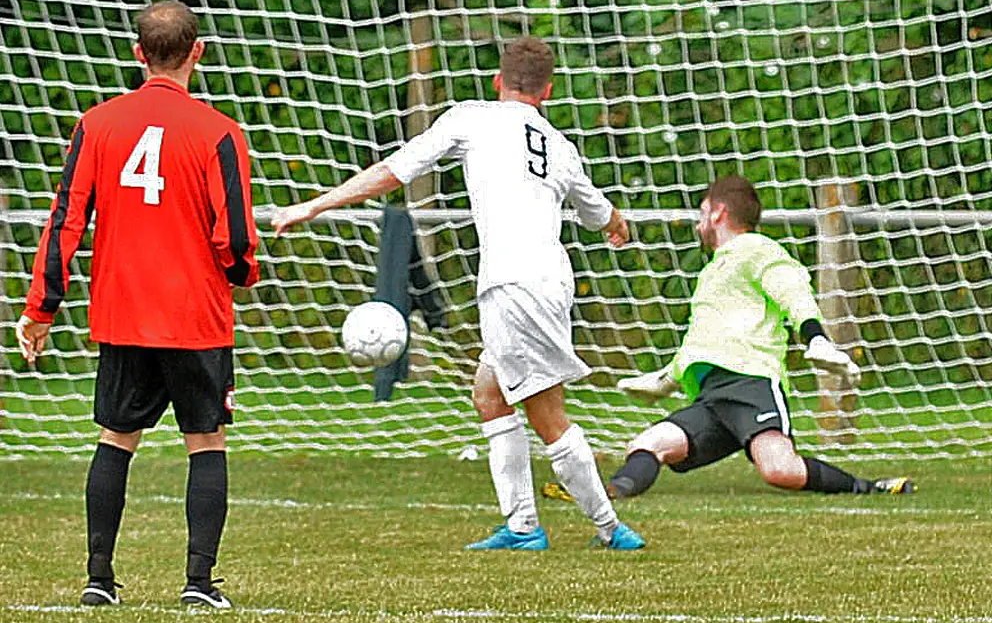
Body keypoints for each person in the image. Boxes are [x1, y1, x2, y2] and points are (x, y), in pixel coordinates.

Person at [271, 36, 645, 550]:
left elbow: (393, 172)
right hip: (547, 282)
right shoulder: (559, 146)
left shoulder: (473, 117)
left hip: (514, 285)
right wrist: (617, 225)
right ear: (549, 91)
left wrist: (313, 206)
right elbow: (601, 212)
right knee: (489, 395)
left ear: (498, 81)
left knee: (545, 413)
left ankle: (610, 528)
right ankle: (522, 527)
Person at [16, 0, 259, 608]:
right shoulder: (220, 132)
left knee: (115, 438)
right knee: (205, 442)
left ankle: (99, 579)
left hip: (123, 314)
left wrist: (40, 308)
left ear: (138, 54)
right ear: (197, 53)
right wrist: (242, 273)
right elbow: (232, 236)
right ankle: (198, 585)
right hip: (195, 318)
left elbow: (65, 220)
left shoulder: (98, 124)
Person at [606, 176, 913, 499]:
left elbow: (792, 290)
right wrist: (666, 380)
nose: (697, 225)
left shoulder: (757, 248)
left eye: (701, 213)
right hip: (712, 398)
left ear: (718, 213)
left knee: (780, 470)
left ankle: (869, 488)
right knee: (646, 444)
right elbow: (704, 340)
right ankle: (606, 494)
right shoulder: (714, 270)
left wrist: (816, 338)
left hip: (751, 386)